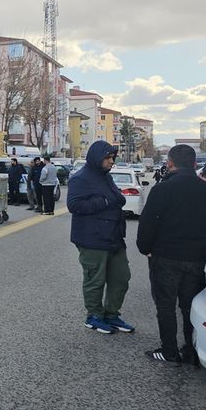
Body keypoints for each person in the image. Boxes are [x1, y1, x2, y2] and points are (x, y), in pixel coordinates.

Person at [137, 145, 206, 364]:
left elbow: (148, 223)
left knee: (165, 305)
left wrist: (145, 249)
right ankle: (191, 348)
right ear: (194, 164)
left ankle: (169, 350)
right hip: (196, 259)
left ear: (170, 163)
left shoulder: (163, 189)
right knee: (190, 304)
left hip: (165, 257)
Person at [67, 140, 133, 335]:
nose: (112, 161)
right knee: (95, 279)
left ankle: (112, 315)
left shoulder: (105, 176)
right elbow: (74, 205)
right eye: (108, 157)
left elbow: (117, 198)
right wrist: (103, 201)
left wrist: (113, 199)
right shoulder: (80, 178)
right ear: (98, 158)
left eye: (113, 157)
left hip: (113, 236)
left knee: (121, 278)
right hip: (92, 238)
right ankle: (94, 316)